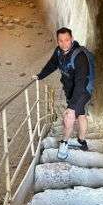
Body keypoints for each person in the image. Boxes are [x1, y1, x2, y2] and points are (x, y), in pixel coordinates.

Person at [34, 27, 91, 159]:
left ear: (71, 39)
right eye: (61, 40)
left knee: (68, 116)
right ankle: (82, 142)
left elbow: (81, 83)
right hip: (70, 88)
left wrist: (71, 107)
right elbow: (53, 64)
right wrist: (40, 75)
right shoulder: (59, 52)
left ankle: (64, 143)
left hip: (83, 90)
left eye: (67, 40)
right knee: (81, 114)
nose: (64, 43)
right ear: (57, 41)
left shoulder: (80, 57)